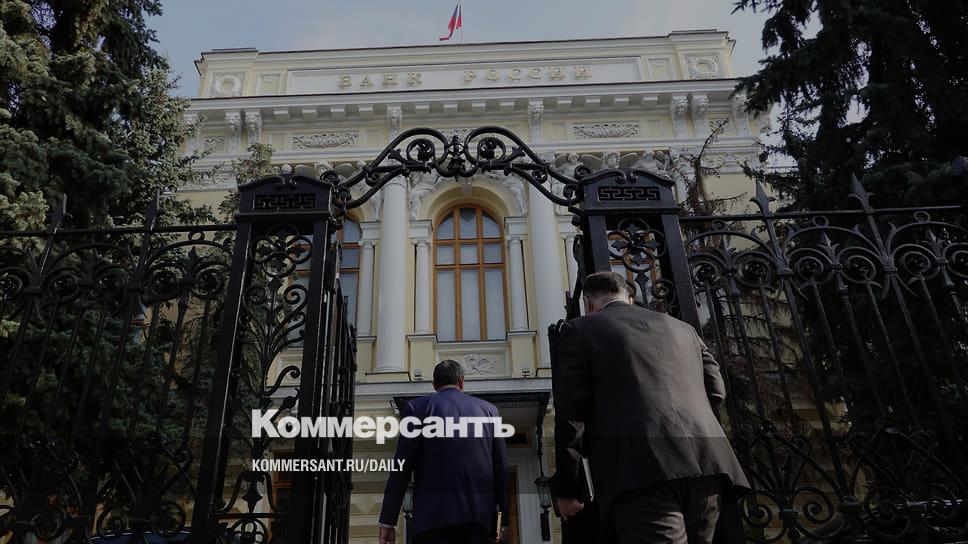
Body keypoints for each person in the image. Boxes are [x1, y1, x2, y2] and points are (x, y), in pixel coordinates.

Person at [551, 271, 748, 544]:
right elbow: (716, 390)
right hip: (708, 463)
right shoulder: (683, 329)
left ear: (588, 302)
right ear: (629, 297)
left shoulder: (579, 330)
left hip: (640, 470)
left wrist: (567, 488)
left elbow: (571, 415)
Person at [379, 360, 510, 544]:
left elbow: (401, 469)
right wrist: (502, 522)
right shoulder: (490, 411)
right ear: (462, 382)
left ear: (434, 384)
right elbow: (501, 469)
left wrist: (388, 521)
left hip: (431, 523)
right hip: (478, 523)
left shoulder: (416, 409)